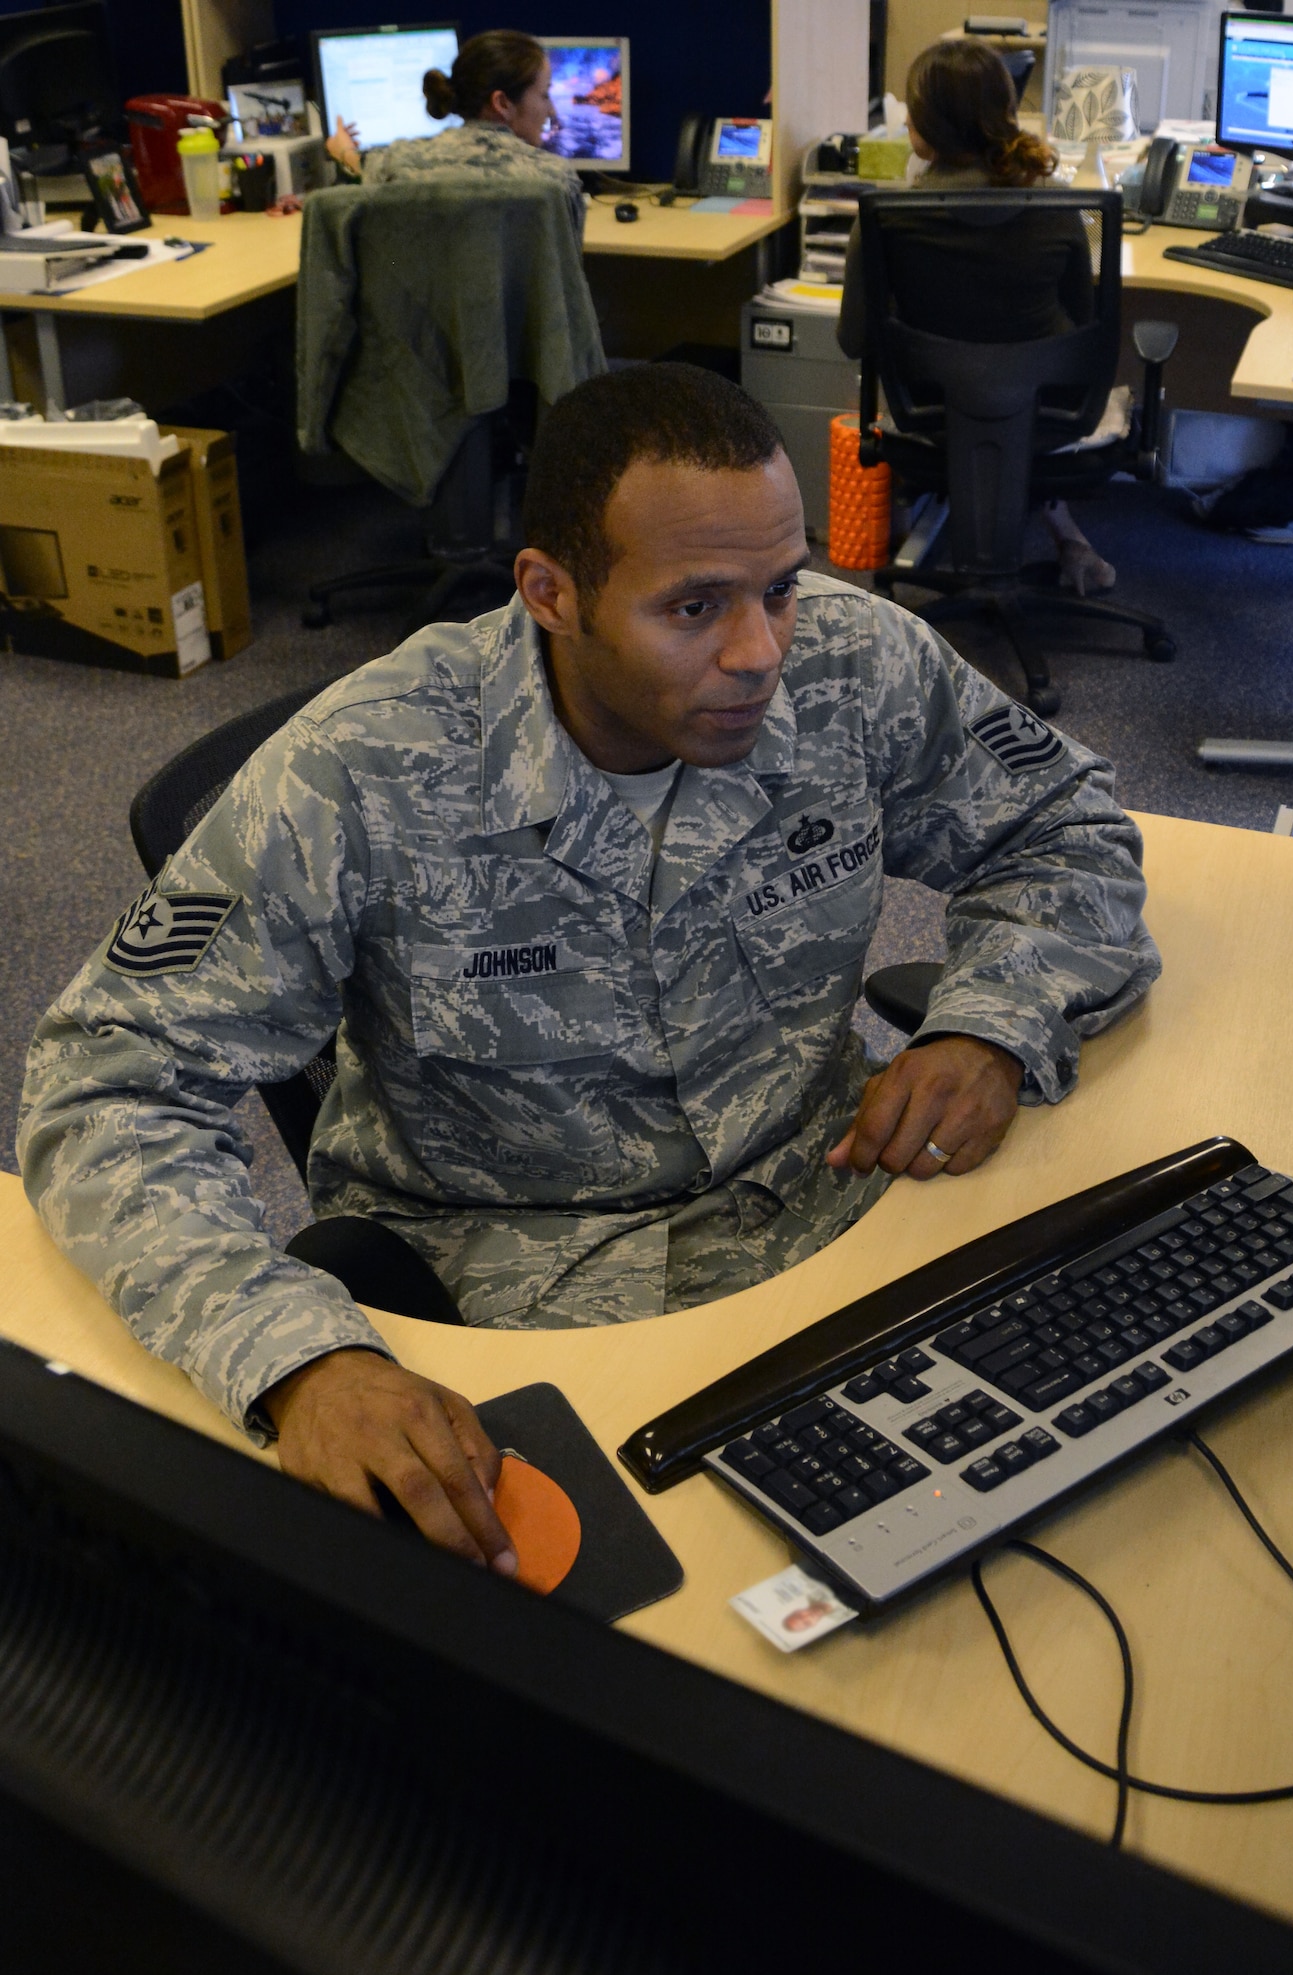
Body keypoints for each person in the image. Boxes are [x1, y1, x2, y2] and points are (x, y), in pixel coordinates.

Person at [18, 365, 1160, 1578]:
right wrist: (296, 1356)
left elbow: (1065, 824)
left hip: (833, 1195)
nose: (760, 651)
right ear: (552, 593)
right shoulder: (362, 769)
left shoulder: (854, 662)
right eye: (695, 607)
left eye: (780, 587)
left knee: (1069, 1504)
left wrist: (986, 1022)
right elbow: (106, 1083)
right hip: (516, 1296)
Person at [838, 36, 1117, 600]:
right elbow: (1084, 329)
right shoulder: (1062, 208)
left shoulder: (884, 218)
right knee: (1020, 379)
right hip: (1049, 409)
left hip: (932, 414)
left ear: (920, 128)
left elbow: (854, 340)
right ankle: (1065, 536)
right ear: (1006, 113)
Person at [323, 29, 584, 243]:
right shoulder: (555, 181)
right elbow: (566, 283)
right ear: (502, 103)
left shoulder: (399, 163)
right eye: (544, 94)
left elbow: (362, 165)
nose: (551, 109)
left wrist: (342, 150)